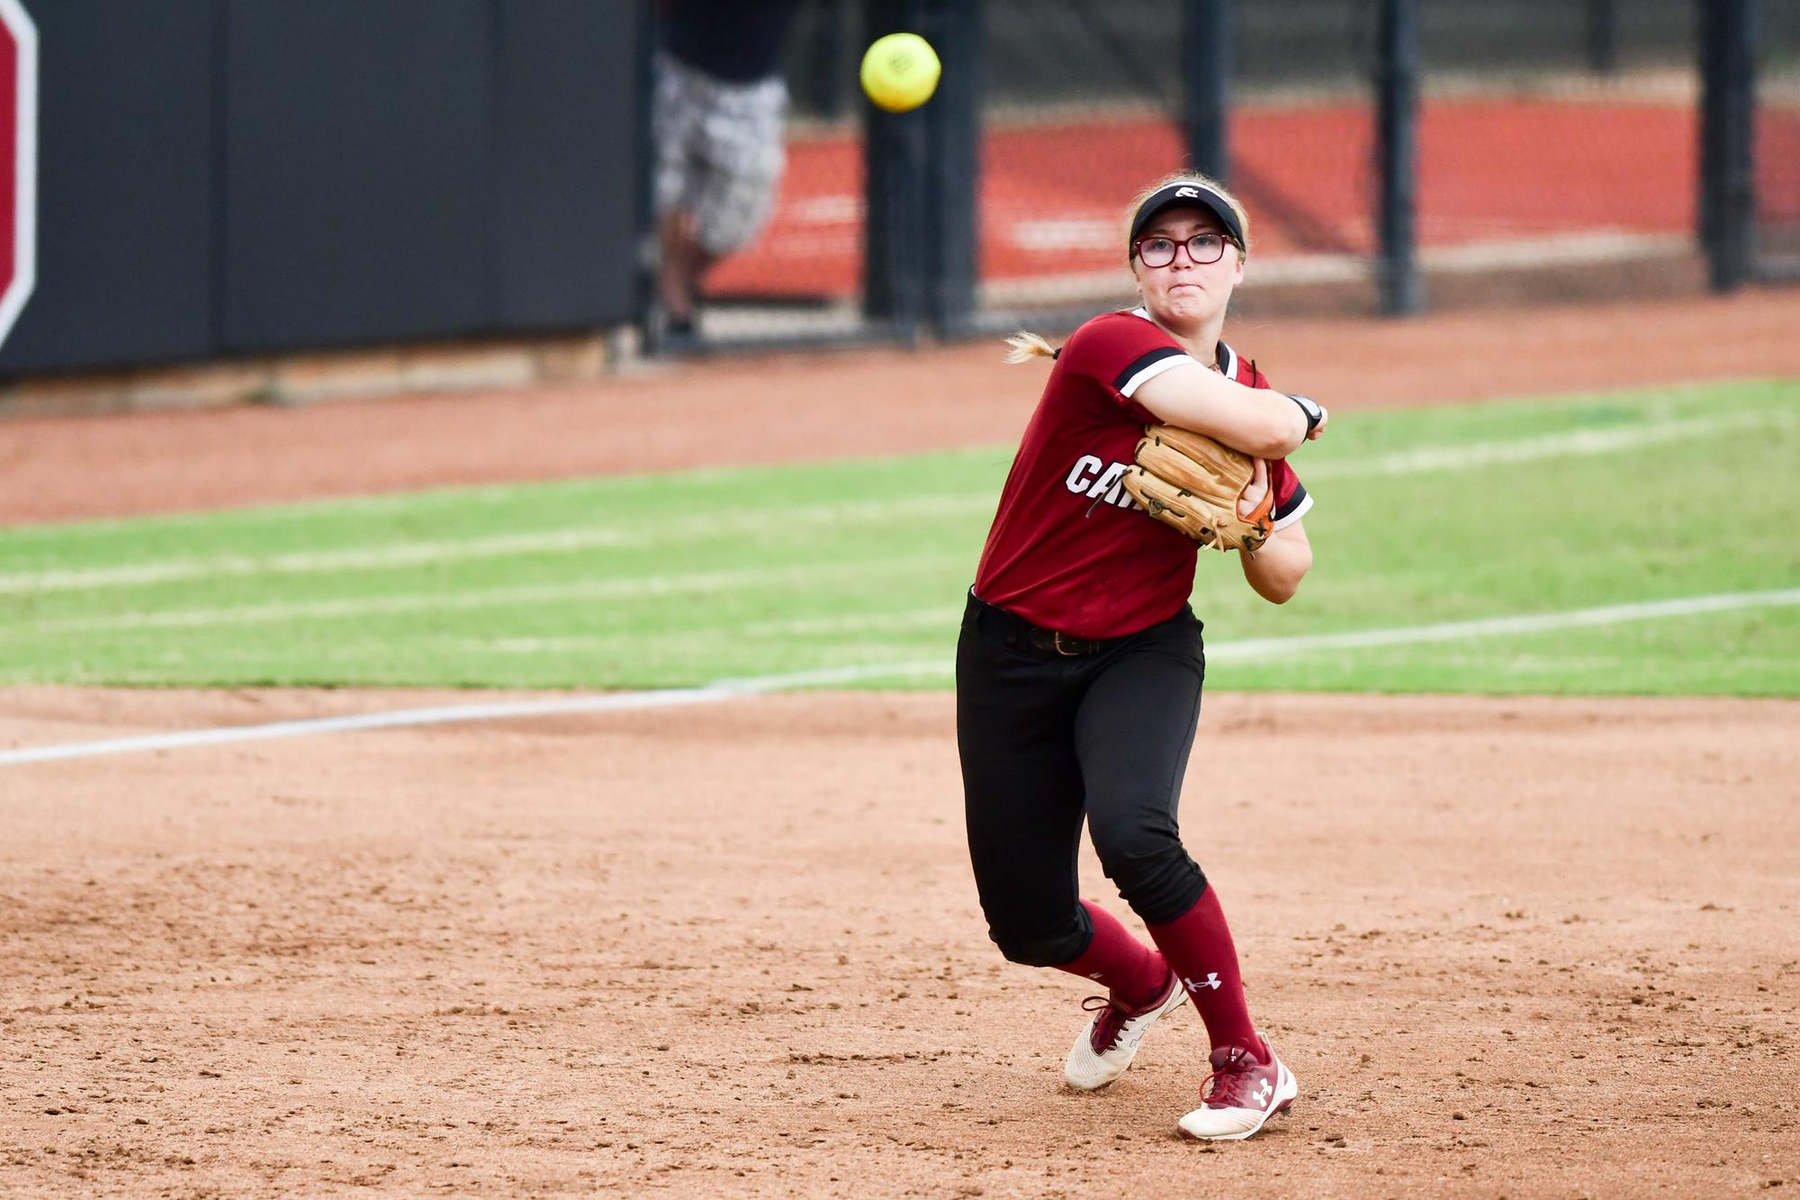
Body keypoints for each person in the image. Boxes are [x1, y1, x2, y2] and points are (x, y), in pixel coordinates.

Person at [956, 172, 1327, 1142]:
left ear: (1238, 266)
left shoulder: (1242, 391)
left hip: (1142, 650)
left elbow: (1287, 573)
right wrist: (1303, 413)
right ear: (1137, 269)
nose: (1182, 259)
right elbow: (1271, 427)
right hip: (1008, 651)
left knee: (1135, 834)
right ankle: (1141, 983)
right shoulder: (1110, 344)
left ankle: (1247, 1060)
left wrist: (1253, 522)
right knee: (1028, 925)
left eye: (1206, 242)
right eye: (1160, 244)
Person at [651, 0, 805, 339]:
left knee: (739, 216)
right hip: (680, 70)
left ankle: (678, 275)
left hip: (750, 88)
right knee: (666, 190)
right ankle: (672, 294)